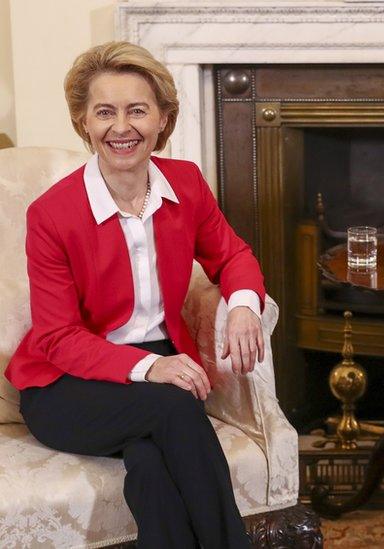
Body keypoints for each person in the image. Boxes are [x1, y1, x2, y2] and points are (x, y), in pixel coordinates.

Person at [5, 41, 265, 548]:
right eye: (104, 112)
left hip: (155, 377)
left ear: (162, 118)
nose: (121, 128)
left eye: (137, 111)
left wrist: (242, 306)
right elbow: (57, 337)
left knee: (150, 463)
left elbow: (233, 256)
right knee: (172, 408)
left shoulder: (185, 184)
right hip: (64, 386)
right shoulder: (52, 214)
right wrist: (152, 368)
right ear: (83, 121)